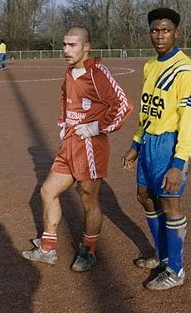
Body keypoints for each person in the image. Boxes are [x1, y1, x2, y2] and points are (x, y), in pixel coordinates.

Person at [21, 27, 133, 272]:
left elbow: (124, 105)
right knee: (48, 191)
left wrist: (97, 127)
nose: (66, 50)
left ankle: (89, 250)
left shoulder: (97, 73)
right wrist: (64, 121)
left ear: (86, 47)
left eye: (72, 45)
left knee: (88, 199)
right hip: (70, 142)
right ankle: (48, 249)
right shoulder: (70, 72)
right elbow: (65, 96)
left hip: (91, 145)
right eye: (64, 45)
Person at [121, 7, 191, 290]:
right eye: (155, 30)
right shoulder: (149, 66)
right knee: (144, 196)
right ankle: (163, 255)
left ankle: (176, 270)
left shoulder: (186, 71)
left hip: (170, 145)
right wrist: (134, 144)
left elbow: (190, 120)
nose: (159, 35)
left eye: (165, 30)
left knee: (170, 203)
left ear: (176, 33)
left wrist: (179, 163)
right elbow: (147, 111)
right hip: (148, 142)